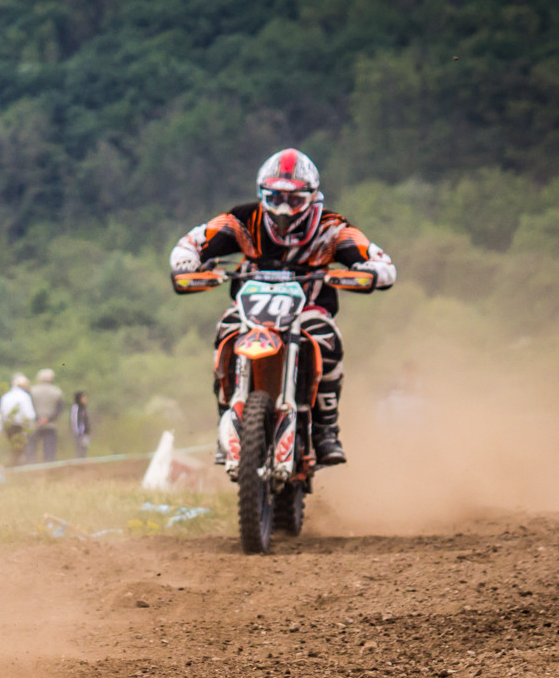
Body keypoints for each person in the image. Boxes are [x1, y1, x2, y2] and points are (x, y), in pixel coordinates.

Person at [170, 148, 397, 466]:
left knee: (326, 338)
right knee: (226, 331)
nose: (284, 209)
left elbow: (380, 260)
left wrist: (371, 271)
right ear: (262, 195)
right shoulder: (242, 220)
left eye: (294, 200)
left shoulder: (332, 228)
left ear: (312, 197)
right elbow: (191, 242)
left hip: (309, 309)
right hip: (251, 310)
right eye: (275, 198)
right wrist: (186, 263)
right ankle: (226, 418)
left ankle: (326, 430)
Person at [0, 373, 36, 465]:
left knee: (12, 449)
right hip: (21, 426)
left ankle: (13, 465)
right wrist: (31, 426)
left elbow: (0, 413)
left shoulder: (6, 396)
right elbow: (29, 414)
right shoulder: (24, 396)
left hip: (8, 426)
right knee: (21, 450)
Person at [28, 368, 64, 462]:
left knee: (32, 447)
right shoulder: (57, 391)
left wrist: (38, 418)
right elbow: (59, 409)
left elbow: (29, 407)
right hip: (51, 424)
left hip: (35, 423)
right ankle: (49, 467)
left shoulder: (32, 390)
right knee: (49, 448)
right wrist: (48, 419)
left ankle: (32, 465)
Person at [69, 391, 91, 459]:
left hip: (85, 432)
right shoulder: (76, 408)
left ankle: (83, 461)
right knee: (80, 448)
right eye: (83, 398)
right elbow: (74, 420)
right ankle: (78, 461)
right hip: (79, 433)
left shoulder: (84, 408)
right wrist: (77, 431)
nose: (85, 399)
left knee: (85, 448)